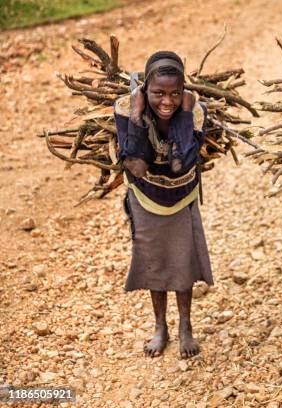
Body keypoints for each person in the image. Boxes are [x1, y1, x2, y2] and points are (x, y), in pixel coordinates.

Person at [114, 51, 213, 359]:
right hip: (144, 197)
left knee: (183, 261)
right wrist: (136, 116)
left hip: (181, 195)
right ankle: (161, 327)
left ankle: (185, 327)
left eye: (174, 93)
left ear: (184, 92)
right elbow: (136, 162)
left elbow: (181, 162)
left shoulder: (196, 111)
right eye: (158, 93)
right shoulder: (124, 108)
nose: (167, 101)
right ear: (145, 91)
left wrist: (184, 115)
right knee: (154, 261)